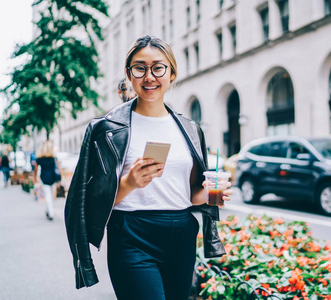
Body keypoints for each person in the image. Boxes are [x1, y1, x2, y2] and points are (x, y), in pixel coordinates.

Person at [64, 35, 232, 300]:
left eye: (158, 67)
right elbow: (85, 202)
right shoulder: (107, 129)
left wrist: (214, 196)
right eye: (140, 68)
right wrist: (129, 183)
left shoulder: (190, 129)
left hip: (181, 232)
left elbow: (189, 194)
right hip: (131, 234)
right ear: (129, 75)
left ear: (172, 73)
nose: (149, 76)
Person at [33, 140, 62, 221]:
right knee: (50, 196)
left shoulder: (39, 159)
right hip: (53, 178)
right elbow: (59, 168)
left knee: (48, 195)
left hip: (44, 178)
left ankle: (50, 212)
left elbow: (35, 170)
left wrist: (34, 179)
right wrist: (60, 179)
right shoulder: (53, 158)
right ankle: (50, 211)